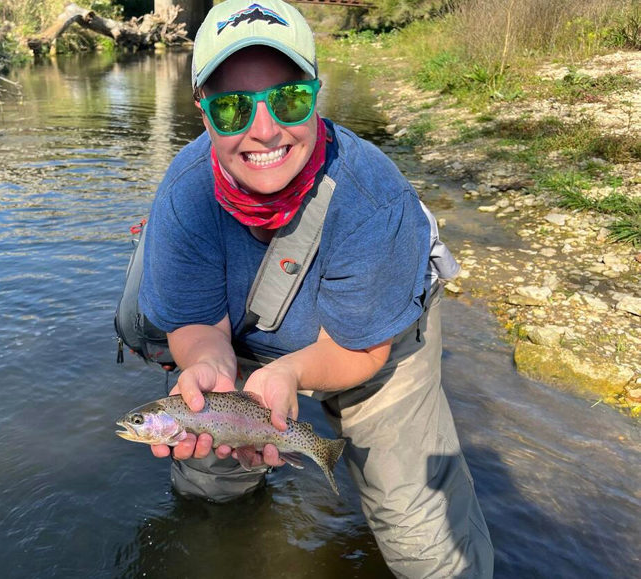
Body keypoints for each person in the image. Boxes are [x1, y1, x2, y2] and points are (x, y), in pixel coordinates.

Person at [136, 0, 494, 575]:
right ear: (203, 112)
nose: (264, 129)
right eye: (231, 107)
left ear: (316, 94)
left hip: (374, 344)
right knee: (209, 485)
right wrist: (207, 364)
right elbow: (197, 324)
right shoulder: (184, 197)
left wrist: (290, 375)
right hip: (250, 351)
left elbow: (361, 351)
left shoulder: (373, 199)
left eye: (288, 98)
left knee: (425, 544)